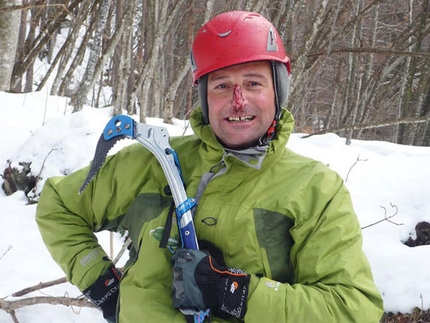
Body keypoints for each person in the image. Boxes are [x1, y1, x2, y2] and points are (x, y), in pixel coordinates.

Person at [36, 10, 384, 323]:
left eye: (253, 83)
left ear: (278, 91)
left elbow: (353, 309)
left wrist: (236, 294)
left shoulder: (315, 189)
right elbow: (59, 206)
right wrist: (102, 284)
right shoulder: (153, 161)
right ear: (204, 97)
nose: (238, 100)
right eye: (222, 86)